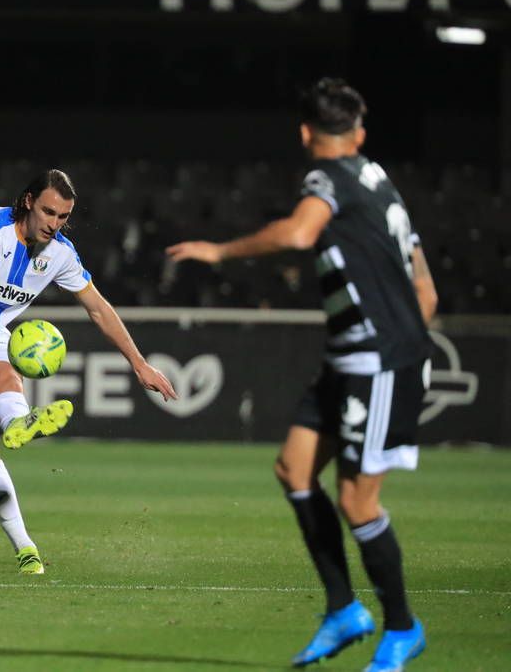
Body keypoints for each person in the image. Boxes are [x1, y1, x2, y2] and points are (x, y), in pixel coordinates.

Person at [167, 79, 437, 672]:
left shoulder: (326, 180)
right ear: (359, 133)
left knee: (357, 501)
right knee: (293, 468)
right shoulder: (383, 185)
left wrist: (218, 251)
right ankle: (343, 609)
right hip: (354, 356)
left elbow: (297, 233)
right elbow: (426, 289)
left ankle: (402, 627)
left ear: (306, 134)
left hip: (379, 362)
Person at [0, 169, 177, 575]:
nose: (54, 224)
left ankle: (19, 427)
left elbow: (98, 308)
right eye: (48, 212)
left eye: (62, 217)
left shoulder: (61, 254)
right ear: (27, 202)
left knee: (4, 378)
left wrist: (138, 363)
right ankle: (23, 537)